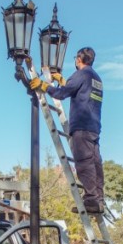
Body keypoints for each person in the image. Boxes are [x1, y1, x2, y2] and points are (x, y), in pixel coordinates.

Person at [30, 47, 104, 214]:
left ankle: (91, 200)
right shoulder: (96, 78)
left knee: (84, 163)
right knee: (95, 163)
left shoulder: (81, 74)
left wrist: (44, 85)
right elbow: (81, 93)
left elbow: (62, 94)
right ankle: (99, 200)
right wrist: (64, 81)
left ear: (79, 59)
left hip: (82, 127)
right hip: (93, 128)